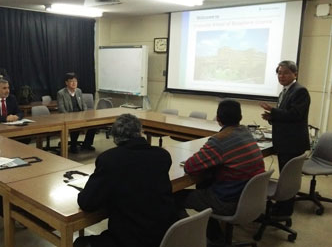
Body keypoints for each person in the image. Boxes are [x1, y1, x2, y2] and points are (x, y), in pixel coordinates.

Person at [74, 114, 177, 247]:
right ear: (141, 132)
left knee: (80, 243)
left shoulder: (110, 159)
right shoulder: (162, 156)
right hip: (165, 235)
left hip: (130, 240)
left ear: (115, 138)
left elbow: (87, 203)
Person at [175, 99, 265, 243]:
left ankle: (196, 238)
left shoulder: (220, 141)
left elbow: (190, 167)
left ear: (218, 118)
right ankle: (215, 236)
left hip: (228, 202)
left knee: (172, 197)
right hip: (249, 198)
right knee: (204, 184)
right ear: (240, 117)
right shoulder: (247, 133)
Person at [260, 60, 310, 217]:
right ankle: (281, 206)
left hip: (292, 142)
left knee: (288, 178)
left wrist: (274, 112)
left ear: (295, 74)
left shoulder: (300, 91)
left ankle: (285, 210)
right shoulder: (285, 91)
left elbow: (296, 115)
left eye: (286, 73)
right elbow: (285, 116)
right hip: (284, 141)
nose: (281, 76)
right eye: (279, 73)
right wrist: (271, 117)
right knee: (284, 176)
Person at [57, 72, 96, 153]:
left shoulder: (78, 91)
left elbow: (83, 104)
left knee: (94, 125)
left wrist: (85, 114)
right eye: (71, 81)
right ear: (66, 83)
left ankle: (87, 144)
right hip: (68, 117)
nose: (74, 83)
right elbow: (61, 109)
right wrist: (70, 117)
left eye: (75, 81)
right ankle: (73, 146)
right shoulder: (61, 93)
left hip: (80, 115)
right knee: (75, 126)